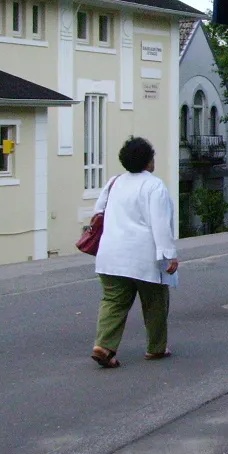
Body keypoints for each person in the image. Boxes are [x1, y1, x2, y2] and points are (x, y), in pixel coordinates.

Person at [89, 136, 179, 368]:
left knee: (113, 301)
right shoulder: (154, 185)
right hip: (143, 256)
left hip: (110, 254)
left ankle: (104, 346)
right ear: (149, 161)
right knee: (155, 301)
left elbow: (98, 212)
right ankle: (156, 348)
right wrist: (169, 254)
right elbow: (160, 223)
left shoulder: (113, 183)